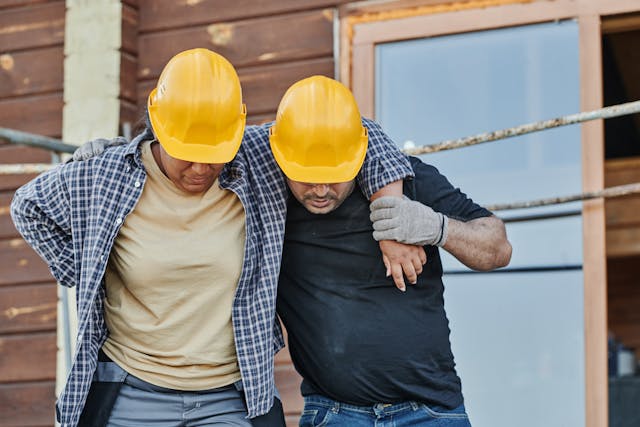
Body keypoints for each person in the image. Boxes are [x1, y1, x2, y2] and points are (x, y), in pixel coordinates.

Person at [10, 50, 413, 427]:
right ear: (159, 128)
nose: (202, 167)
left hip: (230, 396)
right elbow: (27, 206)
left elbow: (361, 132)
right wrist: (90, 272)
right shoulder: (106, 174)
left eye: (215, 151)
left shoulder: (255, 157)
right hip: (132, 392)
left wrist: (393, 221)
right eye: (187, 151)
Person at [269, 76, 512, 426]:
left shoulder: (410, 181)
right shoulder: (273, 205)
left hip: (429, 411)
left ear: (357, 152)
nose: (320, 188)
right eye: (307, 176)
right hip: (334, 413)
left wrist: (436, 227)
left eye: (334, 174)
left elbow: (498, 248)